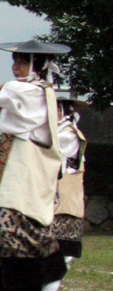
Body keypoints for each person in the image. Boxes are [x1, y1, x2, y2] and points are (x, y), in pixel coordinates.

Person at [0, 40, 70, 291]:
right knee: (1, 226)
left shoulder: (35, 91)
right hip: (10, 161)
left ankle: (52, 268)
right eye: (15, 62)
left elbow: (9, 96)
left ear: (37, 67)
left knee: (12, 221)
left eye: (23, 62)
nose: (16, 67)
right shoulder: (21, 90)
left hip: (25, 164)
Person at [53, 100, 87, 265]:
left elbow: (53, 151)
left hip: (67, 182)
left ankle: (65, 254)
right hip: (57, 182)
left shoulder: (68, 133)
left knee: (65, 214)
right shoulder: (56, 131)